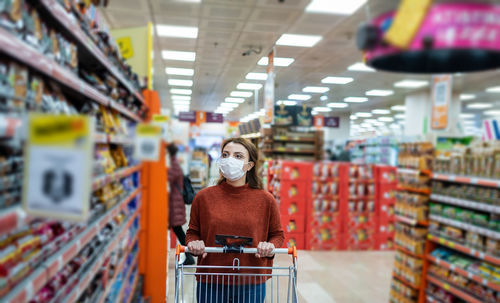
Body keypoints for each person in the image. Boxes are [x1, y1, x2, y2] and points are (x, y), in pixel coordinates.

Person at [186, 138, 284, 303]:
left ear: (250, 165)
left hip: (251, 280)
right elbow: (192, 232)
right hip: (211, 279)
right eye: (225, 154)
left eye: (238, 156)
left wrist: (270, 245)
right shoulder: (203, 197)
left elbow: (277, 235)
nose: (230, 159)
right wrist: (194, 243)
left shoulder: (266, 200)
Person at [167, 143, 195, 265]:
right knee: (178, 230)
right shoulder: (173, 164)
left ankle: (189, 256)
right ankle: (189, 256)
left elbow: (166, 178)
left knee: (178, 230)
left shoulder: (173, 165)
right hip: (174, 202)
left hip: (174, 203)